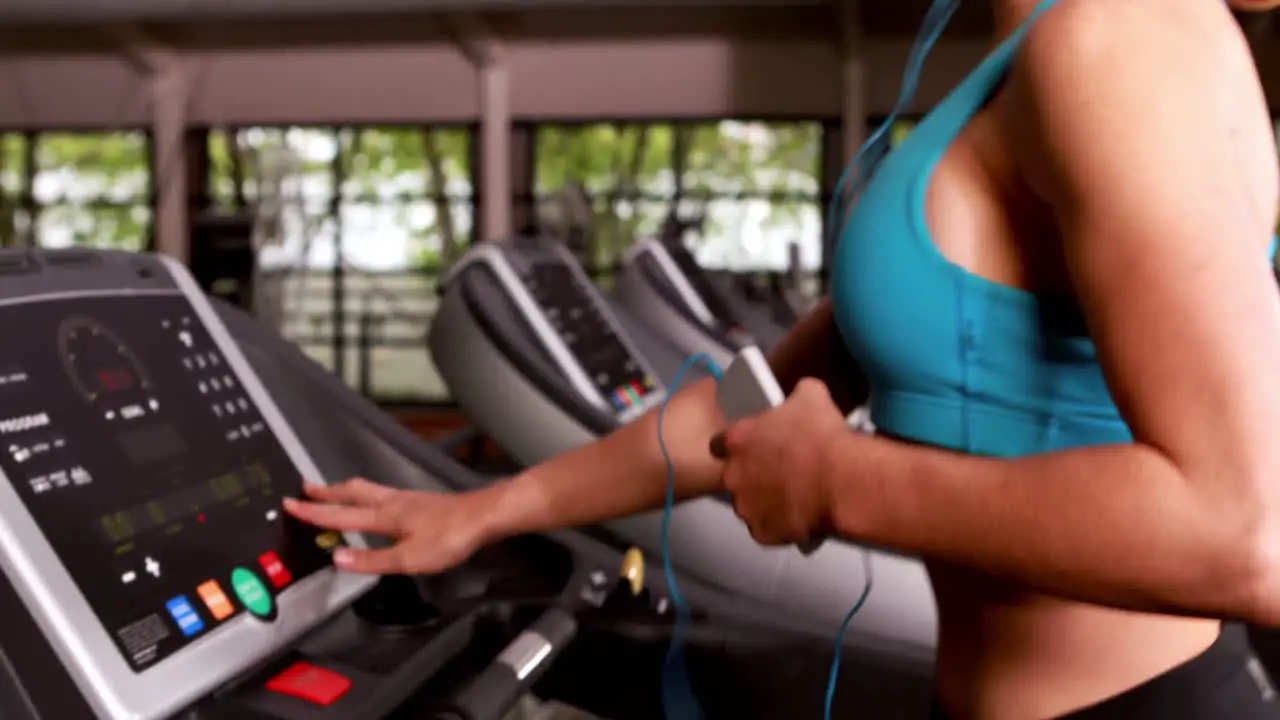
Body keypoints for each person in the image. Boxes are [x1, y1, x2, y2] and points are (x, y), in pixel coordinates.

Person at [285, 0, 1280, 716]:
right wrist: (477, 512)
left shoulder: (1119, 39)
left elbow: (1246, 537)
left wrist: (837, 479)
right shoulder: (1027, 57)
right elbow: (743, 411)